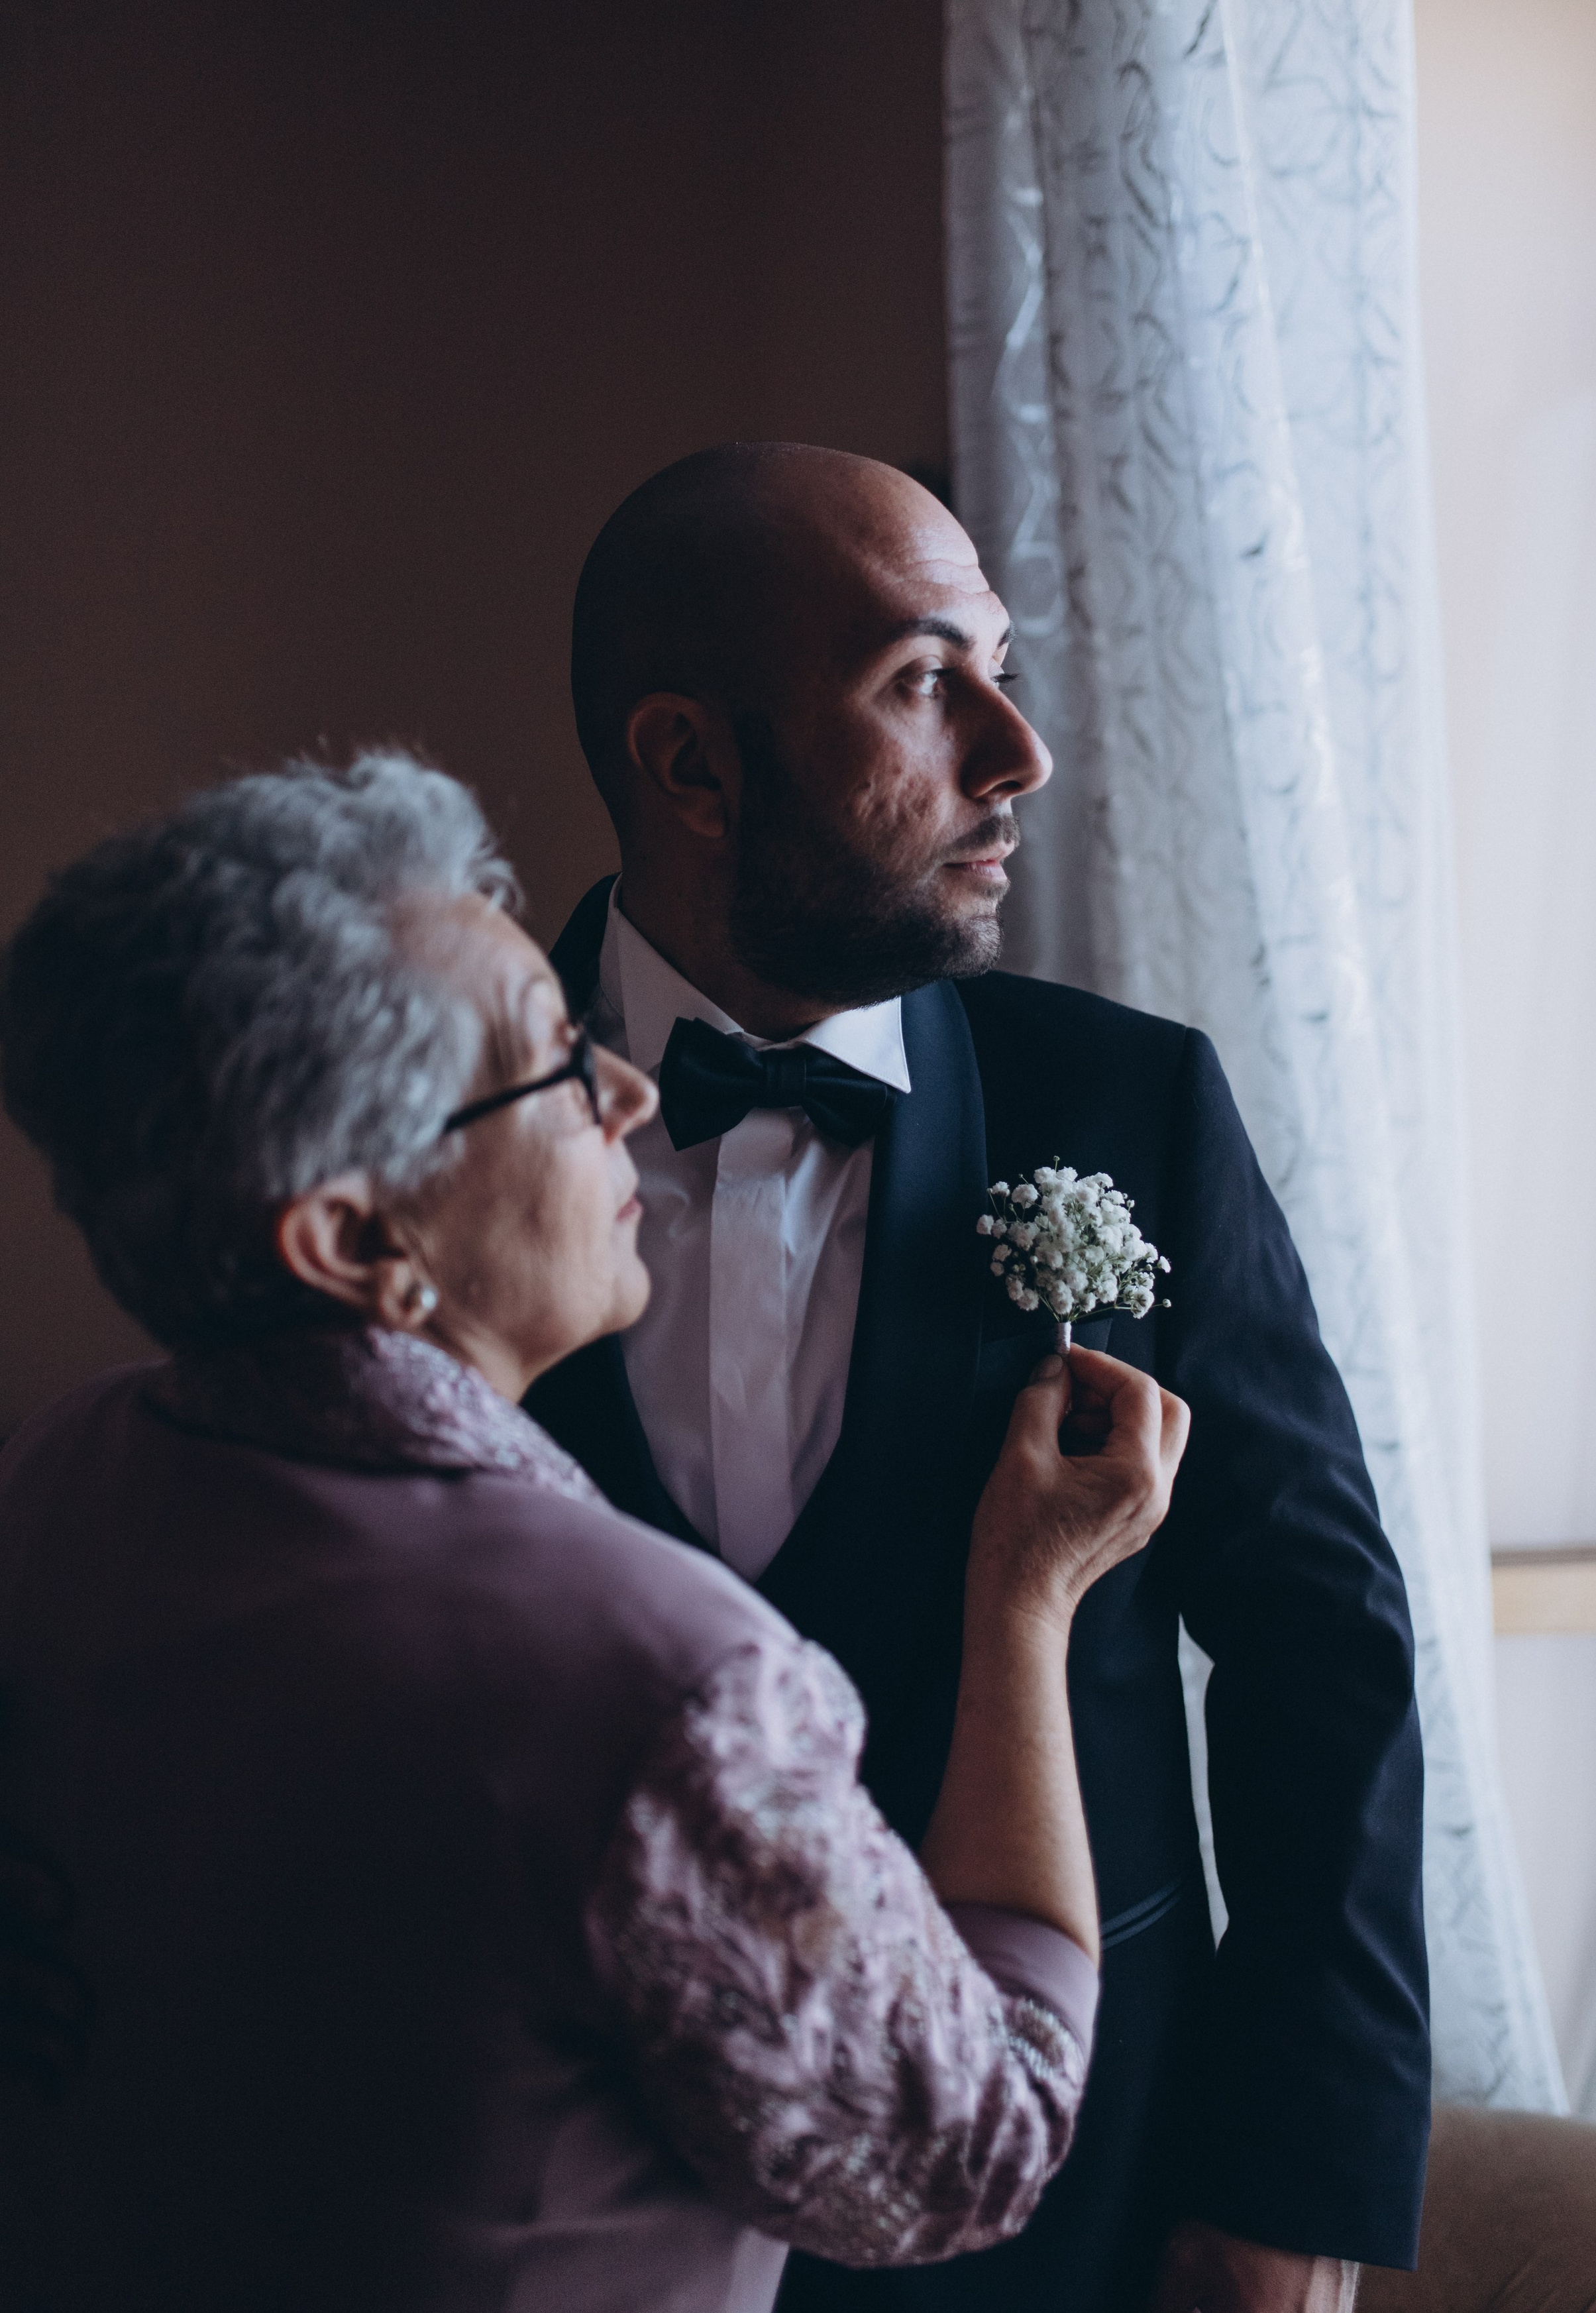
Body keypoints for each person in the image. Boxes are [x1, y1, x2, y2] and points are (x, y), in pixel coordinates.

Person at [529, 441, 1596, 2313]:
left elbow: (1324, 1646)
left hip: (1075, 2198)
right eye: (924, 683)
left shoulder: (1129, 1104)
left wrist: (1298, 2181)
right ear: (690, 761)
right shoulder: (435, 1127)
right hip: (565, 2193)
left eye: (1001, 663)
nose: (1018, 748)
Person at [0, 752, 1191, 2313]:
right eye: (556, 1062)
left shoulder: (56, 1481)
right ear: (356, 1236)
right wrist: (1025, 1600)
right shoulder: (659, 1678)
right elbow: (970, 2143)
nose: (627, 1091)